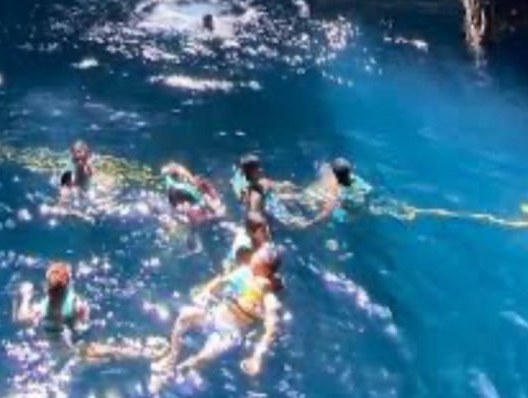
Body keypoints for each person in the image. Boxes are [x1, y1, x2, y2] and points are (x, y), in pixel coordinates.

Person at [154, 243, 284, 381]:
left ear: (267, 270)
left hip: (229, 333)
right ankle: (171, 357)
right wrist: (205, 293)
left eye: (258, 260)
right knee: (185, 314)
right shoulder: (244, 272)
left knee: (202, 358)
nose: (253, 259)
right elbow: (221, 282)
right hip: (214, 316)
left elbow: (272, 325)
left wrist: (257, 357)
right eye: (256, 256)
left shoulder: (267, 293)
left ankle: (177, 373)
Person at [15, 261, 89, 339]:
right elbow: (84, 321)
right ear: (68, 283)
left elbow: (22, 318)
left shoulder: (41, 308)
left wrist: (25, 296)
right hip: (73, 340)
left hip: (52, 344)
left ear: (47, 286)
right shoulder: (77, 305)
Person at [298, 157, 371, 226]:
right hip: (356, 206)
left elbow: (328, 209)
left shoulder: (327, 171)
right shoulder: (352, 181)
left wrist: (310, 223)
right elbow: (328, 209)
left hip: (346, 211)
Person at [161, 161, 225, 227]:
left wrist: (214, 200)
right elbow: (197, 219)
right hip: (197, 215)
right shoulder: (178, 194)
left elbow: (210, 190)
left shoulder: (199, 181)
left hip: (201, 206)